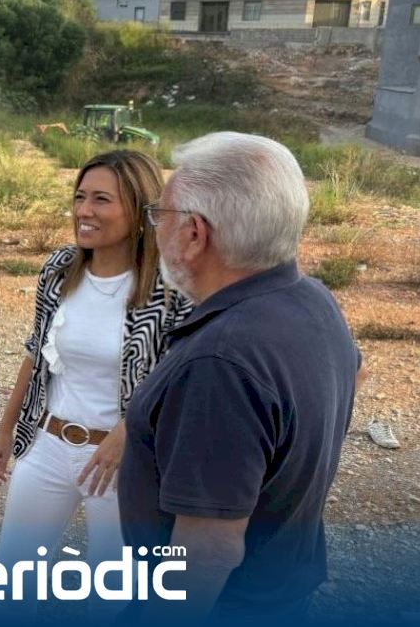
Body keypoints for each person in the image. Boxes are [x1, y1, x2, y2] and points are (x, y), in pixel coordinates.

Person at [118, 132, 364, 624]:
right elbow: (353, 377)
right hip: (281, 592)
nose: (155, 229)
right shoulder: (310, 298)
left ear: (195, 234)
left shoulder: (220, 362)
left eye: (160, 215)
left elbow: (208, 551)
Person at [0, 150, 191, 620]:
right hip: (48, 445)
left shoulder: (168, 286)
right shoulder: (60, 268)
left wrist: (127, 430)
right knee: (11, 589)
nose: (84, 210)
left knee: (111, 603)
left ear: (138, 208)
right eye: (80, 197)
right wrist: (6, 430)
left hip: (123, 464)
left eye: (101, 200)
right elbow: (37, 353)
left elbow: (179, 376)